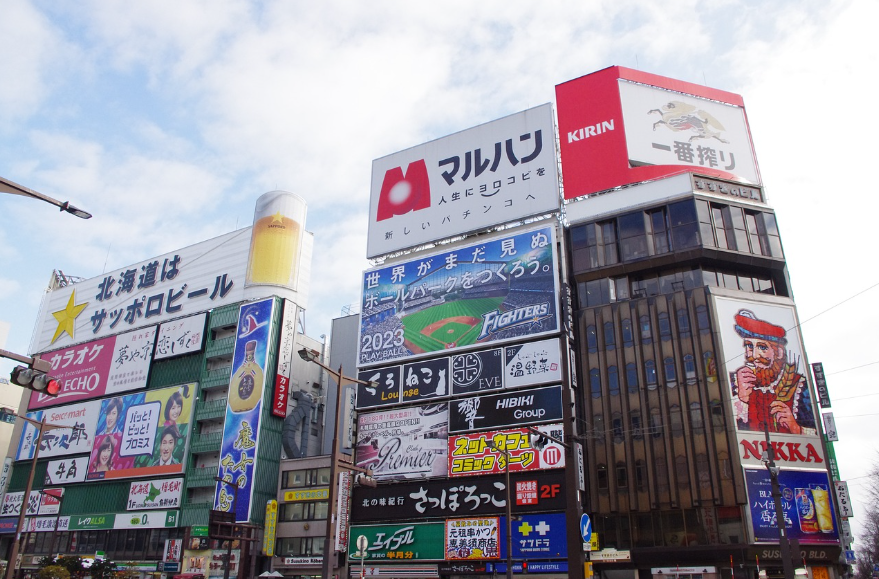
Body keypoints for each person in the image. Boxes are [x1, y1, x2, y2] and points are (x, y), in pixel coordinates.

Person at [730, 309, 816, 435]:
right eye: (749, 346)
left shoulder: (800, 386)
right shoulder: (735, 382)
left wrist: (796, 428)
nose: (754, 355)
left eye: (762, 347)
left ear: (779, 353)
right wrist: (741, 400)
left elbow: (818, 434)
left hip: (788, 447)